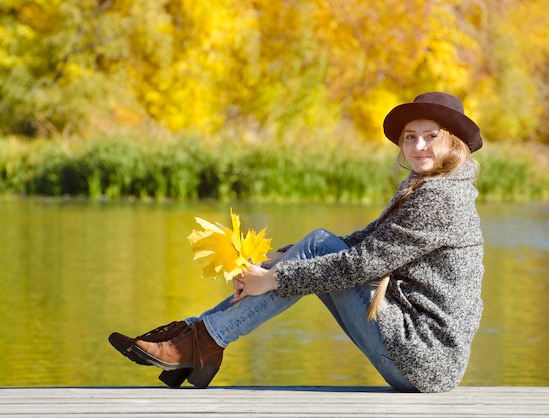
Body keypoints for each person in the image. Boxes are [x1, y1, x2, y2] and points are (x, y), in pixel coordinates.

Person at [109, 91, 485, 393]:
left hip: (421, 358)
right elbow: (362, 241)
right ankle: (197, 337)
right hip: (419, 356)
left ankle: (200, 341)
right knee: (318, 246)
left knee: (320, 246)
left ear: (453, 143)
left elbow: (360, 264)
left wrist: (273, 279)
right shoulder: (431, 188)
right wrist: (274, 260)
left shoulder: (440, 198)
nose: (418, 146)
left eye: (430, 136)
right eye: (410, 137)